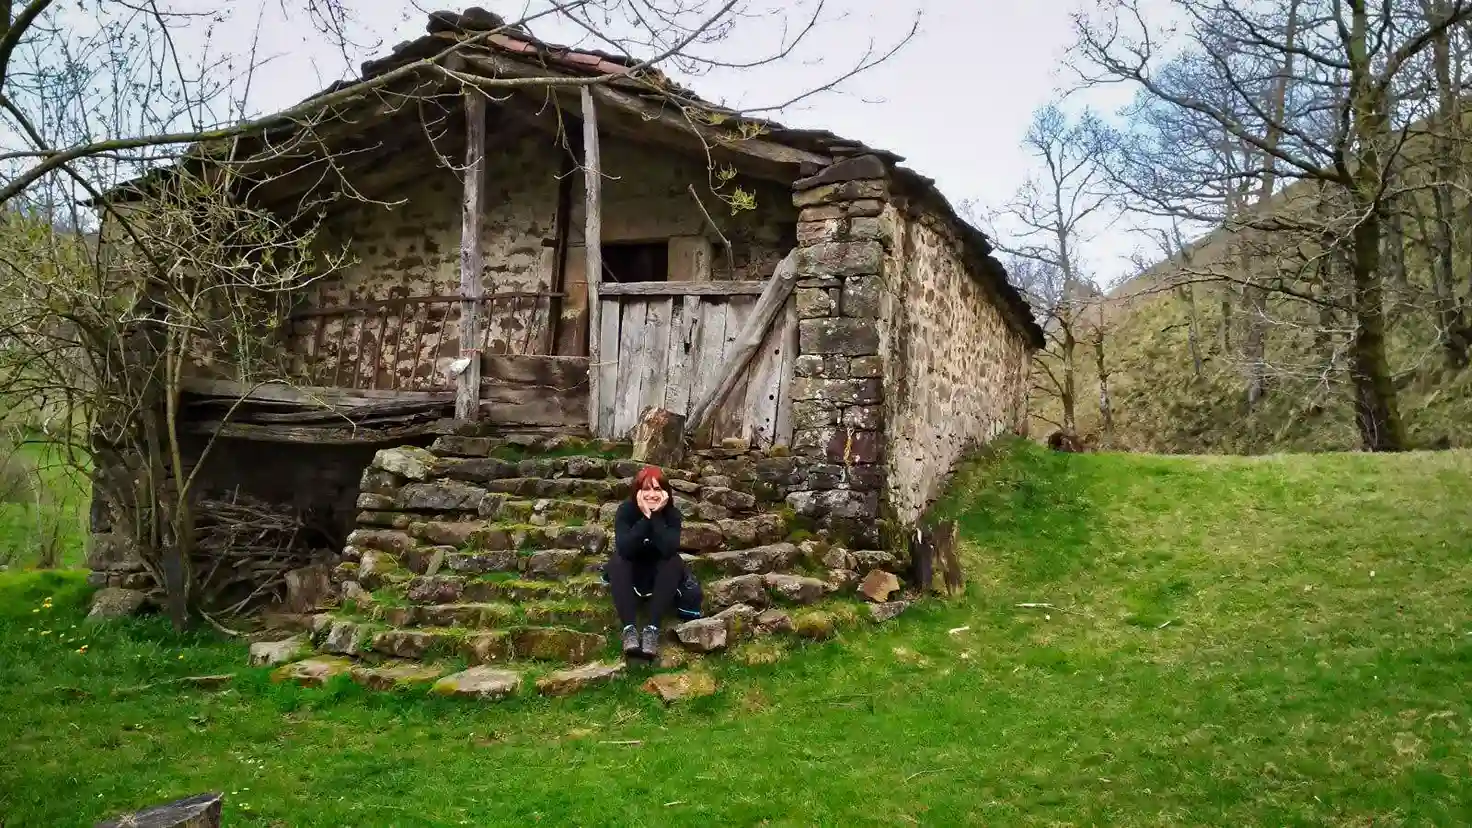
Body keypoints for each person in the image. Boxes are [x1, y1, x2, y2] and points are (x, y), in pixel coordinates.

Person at [606, 465, 700, 659]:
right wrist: (645, 518)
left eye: (657, 489)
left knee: (673, 561)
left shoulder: (672, 515)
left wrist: (655, 516)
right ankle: (630, 630)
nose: (652, 494)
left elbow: (668, 548)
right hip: (632, 569)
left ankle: (652, 629)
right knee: (618, 560)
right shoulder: (626, 511)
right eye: (646, 489)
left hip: (660, 571)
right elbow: (625, 548)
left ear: (666, 493)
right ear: (637, 491)